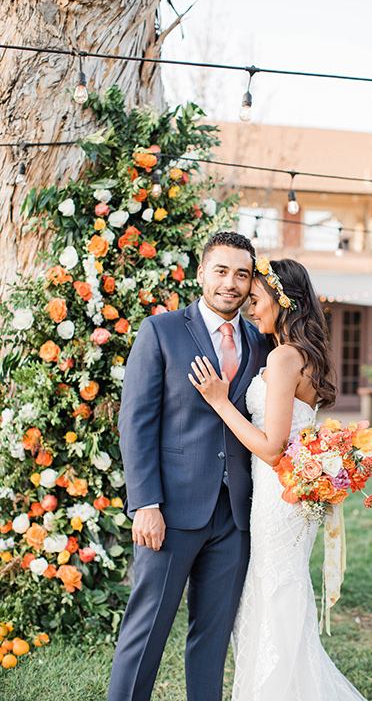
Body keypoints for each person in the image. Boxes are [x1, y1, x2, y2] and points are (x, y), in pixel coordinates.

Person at [189, 257, 367, 700]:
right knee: (279, 594)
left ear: (282, 299)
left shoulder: (285, 356)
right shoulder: (299, 354)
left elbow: (271, 448)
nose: (250, 309)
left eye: (256, 299)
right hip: (289, 495)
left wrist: (219, 401)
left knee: (273, 596)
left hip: (278, 495)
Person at [107, 231, 268, 701]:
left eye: (242, 274)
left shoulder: (261, 342)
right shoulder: (161, 331)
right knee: (146, 633)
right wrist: (146, 505)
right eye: (221, 271)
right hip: (171, 511)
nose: (231, 284)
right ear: (201, 273)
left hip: (236, 514)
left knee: (213, 639)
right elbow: (135, 424)